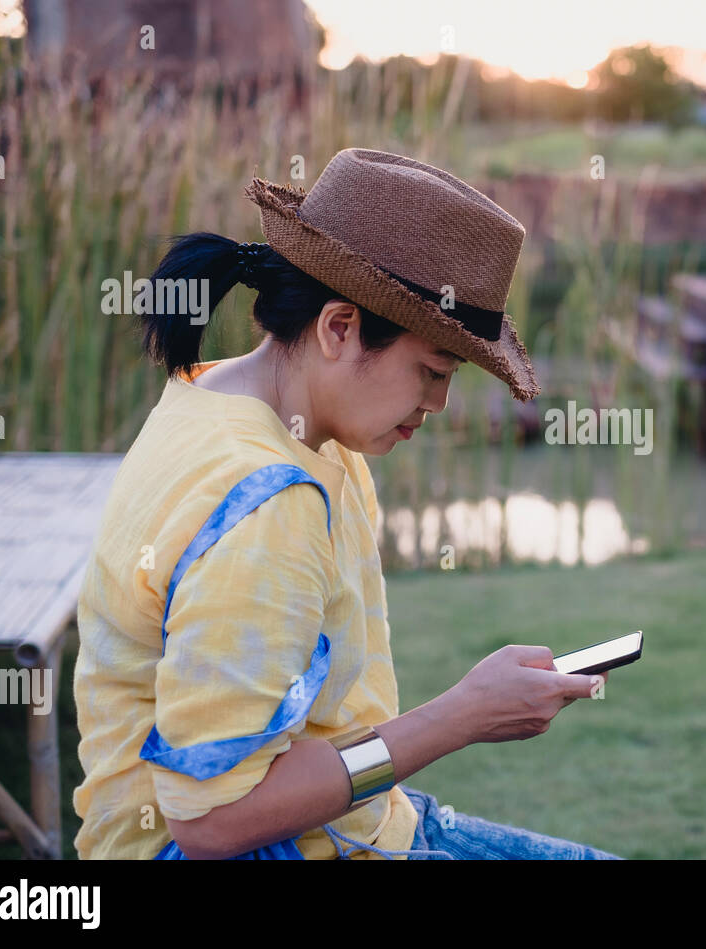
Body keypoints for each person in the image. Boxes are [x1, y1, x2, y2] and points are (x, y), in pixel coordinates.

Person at [71, 148, 623, 860]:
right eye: (430, 371)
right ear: (339, 328)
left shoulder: (216, 396)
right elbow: (211, 821)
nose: (439, 403)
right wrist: (462, 714)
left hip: (346, 819)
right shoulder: (269, 502)